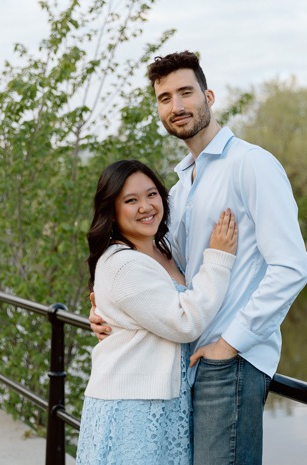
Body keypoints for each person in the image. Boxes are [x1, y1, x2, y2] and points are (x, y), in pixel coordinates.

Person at [90, 51, 307, 465]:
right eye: (164, 98)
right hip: (186, 361)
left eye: (185, 92)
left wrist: (231, 344)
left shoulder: (251, 165)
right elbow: (156, 269)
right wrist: (106, 306)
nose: (176, 106)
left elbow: (291, 267)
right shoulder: (179, 188)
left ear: (208, 96)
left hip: (231, 361)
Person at [76, 159, 238, 465]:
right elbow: (185, 321)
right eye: (131, 200)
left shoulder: (161, 249)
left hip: (164, 403)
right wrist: (218, 258)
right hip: (132, 409)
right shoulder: (123, 263)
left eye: (151, 195)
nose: (146, 206)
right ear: (112, 211)